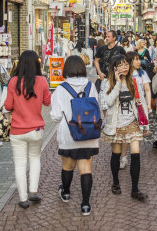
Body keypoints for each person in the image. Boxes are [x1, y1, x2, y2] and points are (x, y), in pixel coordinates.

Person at [50, 55, 99, 216]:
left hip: (69, 134)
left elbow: (56, 116)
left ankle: (65, 193)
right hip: (88, 132)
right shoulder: (91, 86)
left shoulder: (60, 88)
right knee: (86, 169)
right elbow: (97, 108)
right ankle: (85, 205)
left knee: (67, 166)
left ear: (66, 69)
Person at [3, 50, 52, 209]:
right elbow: (47, 102)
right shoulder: (42, 81)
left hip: (17, 130)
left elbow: (8, 106)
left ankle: (23, 198)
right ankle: (33, 190)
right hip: (36, 129)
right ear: (37, 64)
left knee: (20, 164)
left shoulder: (13, 82)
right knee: (35, 159)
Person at [102, 54, 148, 202]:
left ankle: (135, 189)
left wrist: (145, 122)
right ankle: (115, 182)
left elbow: (141, 103)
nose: (125, 67)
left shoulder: (133, 81)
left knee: (136, 154)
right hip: (115, 125)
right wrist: (117, 83)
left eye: (126, 64)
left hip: (132, 122)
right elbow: (108, 102)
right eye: (121, 65)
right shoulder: (106, 83)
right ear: (114, 68)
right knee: (116, 154)